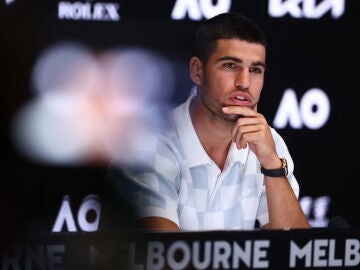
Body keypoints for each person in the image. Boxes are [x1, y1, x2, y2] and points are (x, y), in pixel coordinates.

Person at [109, 12, 311, 231]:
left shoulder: (267, 144)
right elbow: (163, 258)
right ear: (197, 71)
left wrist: (272, 165)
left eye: (255, 70)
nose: (244, 82)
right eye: (230, 66)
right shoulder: (146, 145)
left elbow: (296, 251)